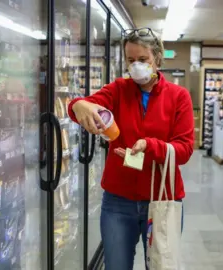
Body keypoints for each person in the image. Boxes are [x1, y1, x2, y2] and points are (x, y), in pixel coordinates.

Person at [67, 28, 194, 270]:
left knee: (160, 265)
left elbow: (185, 149)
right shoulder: (118, 90)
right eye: (130, 60)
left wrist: (150, 145)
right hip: (118, 201)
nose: (136, 66)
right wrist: (79, 105)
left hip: (163, 198)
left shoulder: (179, 96)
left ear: (157, 57)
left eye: (143, 60)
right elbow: (87, 106)